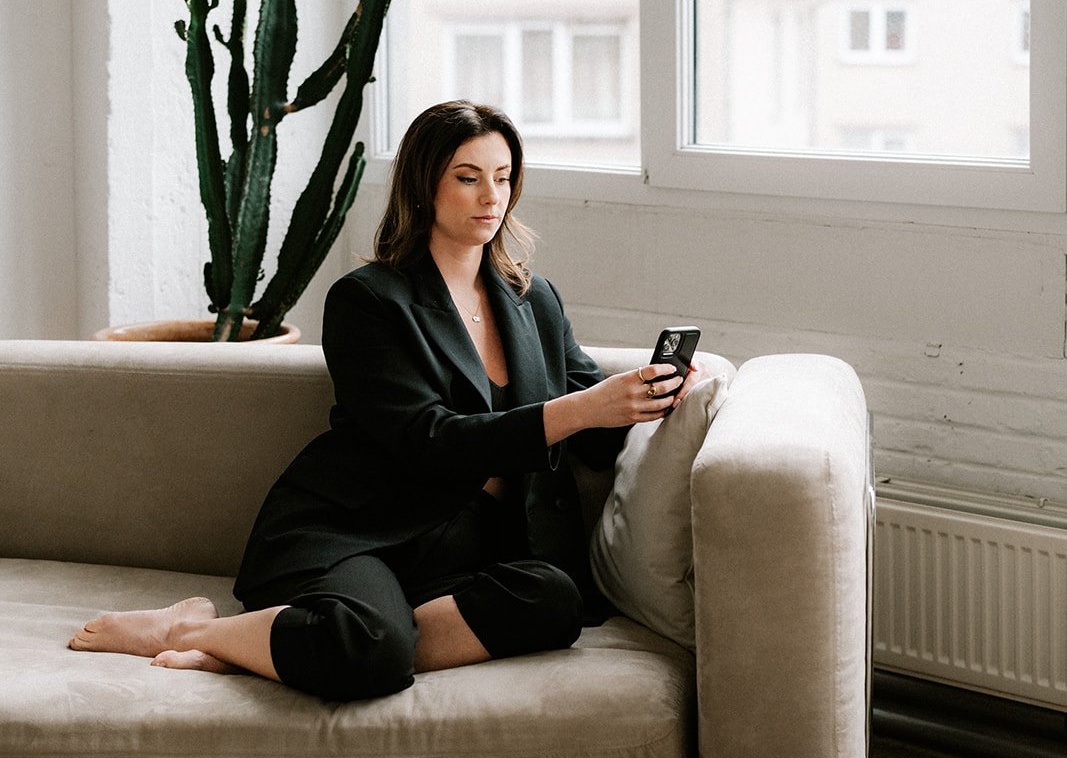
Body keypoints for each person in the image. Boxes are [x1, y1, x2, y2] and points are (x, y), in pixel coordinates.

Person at [69, 101, 696, 700]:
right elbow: (430, 440)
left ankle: (272, 645)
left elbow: (590, 434)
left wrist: (651, 398)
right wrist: (585, 408)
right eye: (468, 178)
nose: (491, 197)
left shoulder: (533, 300)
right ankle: (193, 629)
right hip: (362, 532)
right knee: (375, 649)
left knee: (554, 600)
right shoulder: (368, 301)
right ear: (425, 185)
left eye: (503, 179)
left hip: (466, 553)